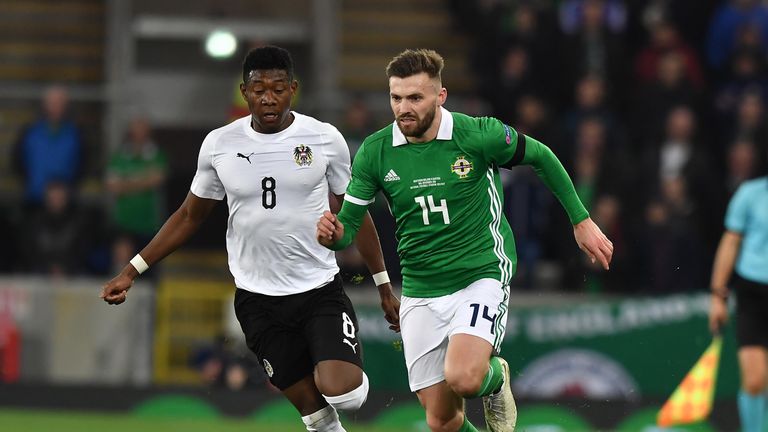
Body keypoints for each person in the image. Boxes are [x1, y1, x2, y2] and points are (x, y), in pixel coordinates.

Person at [101, 46, 400, 432]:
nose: (268, 98)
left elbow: (357, 215)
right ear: (245, 91)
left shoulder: (324, 139)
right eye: (259, 89)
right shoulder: (219, 144)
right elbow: (190, 215)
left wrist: (382, 284)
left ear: (293, 89)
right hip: (256, 300)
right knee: (315, 414)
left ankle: (342, 372)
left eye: (278, 88)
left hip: (317, 290)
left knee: (345, 394)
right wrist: (132, 269)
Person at [316, 49, 613, 432]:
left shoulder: (476, 134)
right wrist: (334, 235)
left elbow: (539, 155)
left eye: (415, 98)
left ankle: (495, 379)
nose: (403, 108)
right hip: (422, 287)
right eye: (396, 98)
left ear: (440, 97)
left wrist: (581, 219)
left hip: (480, 273)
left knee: (465, 377)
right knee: (442, 421)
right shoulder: (375, 152)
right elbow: (349, 229)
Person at [708, 154, 768, 432]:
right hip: (753, 293)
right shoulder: (750, 194)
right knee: (755, 380)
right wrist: (718, 296)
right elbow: (730, 243)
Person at [105, 117, 168, 274]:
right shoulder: (120, 156)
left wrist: (127, 182)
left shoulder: (157, 155)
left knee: (148, 268)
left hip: (149, 224)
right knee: (123, 266)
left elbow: (157, 179)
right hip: (124, 222)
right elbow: (112, 186)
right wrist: (142, 180)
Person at [13, 85, 83, 208]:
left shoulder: (76, 133)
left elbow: (84, 163)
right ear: (44, 104)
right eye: (52, 102)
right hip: (34, 197)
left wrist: (70, 187)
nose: (56, 107)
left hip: (65, 201)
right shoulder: (30, 131)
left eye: (60, 102)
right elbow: (16, 159)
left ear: (66, 105)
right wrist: (27, 182)